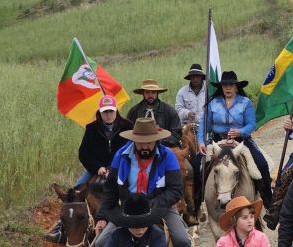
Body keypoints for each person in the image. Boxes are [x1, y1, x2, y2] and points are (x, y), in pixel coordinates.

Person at [45, 95, 135, 243]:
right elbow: (84, 153)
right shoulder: (92, 128)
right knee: (74, 192)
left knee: (135, 189)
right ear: (99, 112)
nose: (108, 114)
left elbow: (133, 149)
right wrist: (97, 167)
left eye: (111, 111)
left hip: (123, 168)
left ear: (116, 111)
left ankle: (144, 220)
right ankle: (61, 230)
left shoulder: (128, 126)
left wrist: (117, 167)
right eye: (105, 111)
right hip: (96, 169)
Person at [92, 118, 190, 247]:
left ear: (156, 140)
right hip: (129, 206)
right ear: (133, 140)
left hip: (160, 204)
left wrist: (152, 204)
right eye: (139, 143)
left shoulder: (168, 156)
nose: (144, 146)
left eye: (148, 142)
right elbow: (110, 190)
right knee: (101, 242)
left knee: (181, 240)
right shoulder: (120, 156)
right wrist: (102, 217)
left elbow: (176, 189)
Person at [198, 71, 272, 208]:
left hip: (241, 141)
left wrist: (240, 131)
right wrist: (201, 141)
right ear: (221, 87)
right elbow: (204, 124)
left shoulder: (246, 103)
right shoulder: (212, 103)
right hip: (217, 140)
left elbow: (251, 124)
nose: (228, 88)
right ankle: (195, 206)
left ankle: (269, 203)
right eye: (225, 85)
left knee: (261, 164)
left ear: (236, 87)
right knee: (196, 165)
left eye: (231, 85)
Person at [175, 64, 208, 223]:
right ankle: (189, 205)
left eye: (198, 76)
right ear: (190, 78)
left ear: (202, 77)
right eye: (193, 76)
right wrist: (187, 113)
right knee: (184, 158)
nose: (195, 79)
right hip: (187, 127)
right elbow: (177, 109)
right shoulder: (182, 92)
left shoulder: (209, 92)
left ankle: (202, 201)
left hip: (205, 128)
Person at [126, 79, 182, 148]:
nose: (150, 95)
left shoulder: (169, 111)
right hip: (139, 148)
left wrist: (160, 142)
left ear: (157, 93)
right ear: (143, 93)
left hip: (165, 148)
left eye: (153, 92)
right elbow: (128, 133)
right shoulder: (134, 111)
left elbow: (177, 134)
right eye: (147, 92)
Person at [103, 193, 167, 247]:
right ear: (126, 223)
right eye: (135, 226)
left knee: (177, 237)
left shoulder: (157, 235)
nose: (140, 231)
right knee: (100, 241)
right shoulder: (117, 235)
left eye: (144, 225)